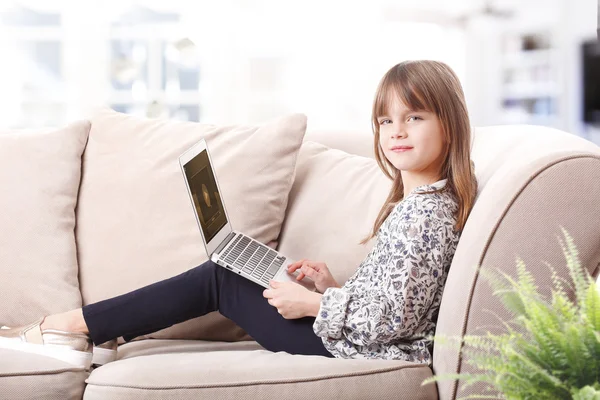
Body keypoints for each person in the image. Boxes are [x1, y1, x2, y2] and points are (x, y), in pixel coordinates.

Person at [0, 60, 477, 368]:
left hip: (350, 348)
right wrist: (333, 288)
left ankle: (72, 326)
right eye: (385, 120)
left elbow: (392, 323)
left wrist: (314, 305)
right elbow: (395, 302)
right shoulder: (419, 205)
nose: (397, 131)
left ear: (449, 127)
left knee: (221, 278)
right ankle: (99, 329)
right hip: (351, 335)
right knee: (229, 267)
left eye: (414, 117)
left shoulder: (427, 216)